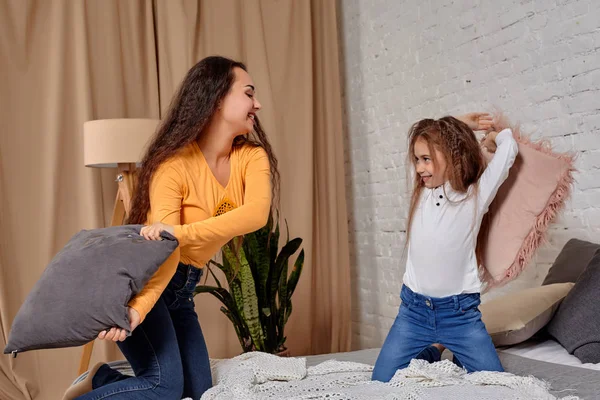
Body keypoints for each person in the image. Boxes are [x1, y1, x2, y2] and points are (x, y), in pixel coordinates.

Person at [64, 55, 280, 400]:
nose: (258, 104)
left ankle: (103, 379)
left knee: (198, 393)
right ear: (217, 98)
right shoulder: (173, 166)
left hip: (182, 291)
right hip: (147, 281)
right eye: (249, 93)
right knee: (162, 389)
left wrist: (180, 233)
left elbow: (256, 214)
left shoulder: (251, 157)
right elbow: (163, 252)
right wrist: (137, 308)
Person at [371, 113, 518, 382]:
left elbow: (509, 152)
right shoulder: (422, 193)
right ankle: (432, 351)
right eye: (416, 160)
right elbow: (430, 134)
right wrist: (462, 123)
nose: (419, 168)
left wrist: (498, 136)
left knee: (497, 384)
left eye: (426, 160)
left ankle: (456, 348)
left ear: (451, 155)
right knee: (380, 383)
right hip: (413, 313)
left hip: (459, 316)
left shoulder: (475, 195)